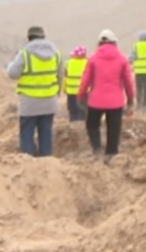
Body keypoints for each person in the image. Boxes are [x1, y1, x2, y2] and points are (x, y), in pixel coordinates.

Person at [77, 30, 135, 158]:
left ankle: (97, 148)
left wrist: (81, 96)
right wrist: (130, 99)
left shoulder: (93, 59)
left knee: (92, 125)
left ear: (99, 43)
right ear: (114, 43)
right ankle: (111, 154)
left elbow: (85, 80)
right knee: (114, 128)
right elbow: (128, 82)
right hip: (116, 102)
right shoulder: (122, 59)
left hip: (95, 101)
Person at [7, 26, 63, 157]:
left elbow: (13, 74)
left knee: (27, 132)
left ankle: (28, 161)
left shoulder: (24, 53)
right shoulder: (56, 53)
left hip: (29, 102)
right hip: (49, 100)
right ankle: (46, 160)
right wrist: (57, 94)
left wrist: (10, 65)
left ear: (29, 37)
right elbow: (60, 76)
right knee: (46, 132)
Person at [64, 46, 88, 122]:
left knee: (72, 110)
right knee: (83, 111)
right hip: (84, 91)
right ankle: (82, 125)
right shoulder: (88, 63)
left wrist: (64, 89)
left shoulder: (68, 63)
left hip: (71, 91)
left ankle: (73, 124)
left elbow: (65, 76)